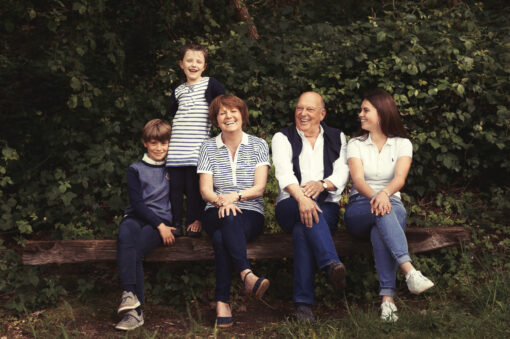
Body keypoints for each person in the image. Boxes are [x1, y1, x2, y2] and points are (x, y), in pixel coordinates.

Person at [344, 88, 434, 323]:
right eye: (361, 110)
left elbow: (399, 180)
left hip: (391, 202)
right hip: (359, 207)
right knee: (382, 211)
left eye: (366, 110)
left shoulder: (402, 144)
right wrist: (378, 196)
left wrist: (384, 194)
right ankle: (410, 272)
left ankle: (387, 302)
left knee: (381, 226)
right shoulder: (355, 143)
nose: (360, 114)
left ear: (382, 113)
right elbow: (358, 180)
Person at [272, 91, 350, 322]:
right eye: (299, 108)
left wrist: (323, 184)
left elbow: (342, 172)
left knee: (302, 230)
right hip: (289, 206)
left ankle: (303, 306)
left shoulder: (337, 137)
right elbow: (284, 173)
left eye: (310, 109)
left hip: (326, 207)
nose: (302, 114)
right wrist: (302, 199)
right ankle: (330, 263)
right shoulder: (282, 137)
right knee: (305, 214)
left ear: (322, 113)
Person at [197, 94, 270, 328]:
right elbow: (205, 190)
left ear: (242, 115)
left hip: (250, 211)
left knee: (221, 239)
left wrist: (235, 197)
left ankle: (222, 302)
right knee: (226, 218)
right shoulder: (207, 147)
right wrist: (222, 201)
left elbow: (259, 188)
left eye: (233, 111)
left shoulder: (258, 144)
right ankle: (247, 274)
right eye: (222, 113)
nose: (228, 116)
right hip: (215, 210)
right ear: (216, 120)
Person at [115, 119, 177, 331]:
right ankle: (130, 296)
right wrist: (158, 224)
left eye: (164, 143)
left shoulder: (173, 168)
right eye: (154, 143)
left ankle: (135, 313)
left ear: (170, 143)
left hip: (161, 224)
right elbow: (137, 203)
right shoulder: (135, 169)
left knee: (136, 251)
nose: (159, 148)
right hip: (137, 216)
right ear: (145, 143)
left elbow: (179, 199)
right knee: (125, 233)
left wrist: (166, 225)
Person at [166, 44, 225, 237]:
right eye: (189, 61)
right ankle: (174, 223)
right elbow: (174, 115)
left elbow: (224, 105)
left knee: (193, 190)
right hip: (175, 150)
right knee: (174, 191)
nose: (194, 64)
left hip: (197, 150)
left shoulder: (210, 84)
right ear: (181, 64)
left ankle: (194, 221)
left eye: (198, 61)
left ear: (204, 66)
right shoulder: (178, 91)